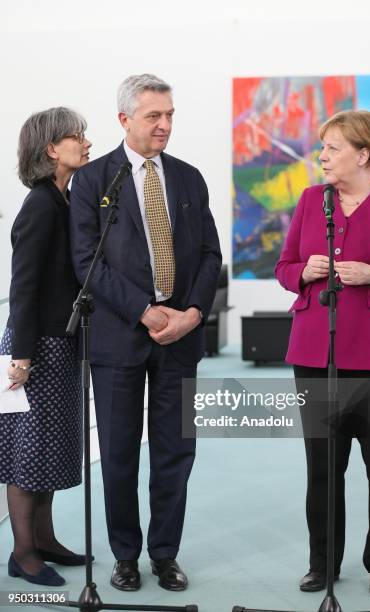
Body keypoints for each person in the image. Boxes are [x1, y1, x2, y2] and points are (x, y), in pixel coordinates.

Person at [69, 73, 221, 592]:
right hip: (118, 341)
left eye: (170, 115)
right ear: (124, 119)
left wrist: (192, 313)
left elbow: (209, 255)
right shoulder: (92, 181)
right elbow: (86, 260)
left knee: (175, 451)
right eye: (154, 115)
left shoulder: (189, 178)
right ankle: (126, 556)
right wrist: (144, 311)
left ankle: (164, 554)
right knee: (117, 453)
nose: (164, 125)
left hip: (181, 339)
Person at [275, 110, 370, 596]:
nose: (321, 156)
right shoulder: (309, 201)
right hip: (315, 356)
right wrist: (303, 272)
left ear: (363, 154)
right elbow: (284, 268)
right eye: (321, 147)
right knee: (322, 467)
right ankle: (322, 564)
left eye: (332, 147)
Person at [0, 107, 92, 586]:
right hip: (34, 347)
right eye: (77, 136)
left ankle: (46, 539)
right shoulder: (40, 204)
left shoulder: (65, 200)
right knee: (28, 452)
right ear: (51, 148)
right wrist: (20, 357)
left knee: (51, 449)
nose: (86, 142)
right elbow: (25, 286)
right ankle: (23, 552)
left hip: (59, 342)